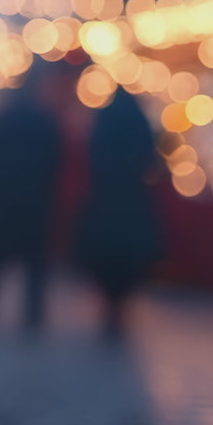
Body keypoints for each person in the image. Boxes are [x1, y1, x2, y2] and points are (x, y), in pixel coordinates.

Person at [0, 72, 63, 327]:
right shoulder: (45, 122)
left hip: (1, 203)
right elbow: (55, 164)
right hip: (33, 203)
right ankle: (33, 315)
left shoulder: (0, 121)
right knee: (34, 265)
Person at [75, 88, 163, 335]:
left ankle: (109, 304)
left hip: (105, 200)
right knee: (128, 255)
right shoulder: (140, 121)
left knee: (105, 253)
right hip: (132, 200)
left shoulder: (104, 120)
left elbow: (92, 155)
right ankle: (120, 305)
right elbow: (151, 159)